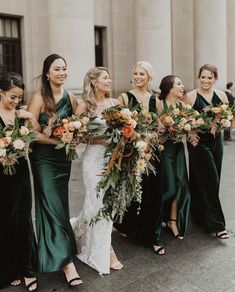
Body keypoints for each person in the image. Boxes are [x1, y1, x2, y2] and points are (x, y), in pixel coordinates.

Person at [27, 54, 82, 287]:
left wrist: (76, 134)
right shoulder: (39, 97)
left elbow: (81, 123)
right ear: (47, 73)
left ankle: (59, 251)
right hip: (43, 160)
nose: (61, 72)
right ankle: (67, 263)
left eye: (64, 68)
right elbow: (32, 133)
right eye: (56, 69)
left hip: (63, 160)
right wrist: (57, 141)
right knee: (52, 204)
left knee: (58, 204)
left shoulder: (71, 97)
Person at [70, 67, 123, 274]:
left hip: (113, 158)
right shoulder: (84, 106)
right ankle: (106, 250)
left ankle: (79, 229)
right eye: (105, 78)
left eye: (110, 77)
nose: (109, 81)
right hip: (93, 159)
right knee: (98, 201)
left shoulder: (115, 104)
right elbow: (78, 136)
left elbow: (126, 132)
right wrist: (102, 138)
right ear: (94, 82)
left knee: (104, 202)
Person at [113, 61, 165, 255]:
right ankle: (128, 225)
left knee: (153, 191)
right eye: (135, 73)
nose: (137, 77)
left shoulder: (155, 100)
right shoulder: (125, 98)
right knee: (133, 189)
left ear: (149, 76)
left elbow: (159, 125)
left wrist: (156, 136)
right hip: (132, 151)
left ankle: (153, 235)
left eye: (142, 74)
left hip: (153, 151)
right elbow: (117, 126)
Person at [0, 72, 38, 291]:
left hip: (21, 173)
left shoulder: (21, 116)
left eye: (19, 97)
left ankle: (27, 268)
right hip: (1, 177)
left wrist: (30, 119)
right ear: (1, 92)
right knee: (4, 221)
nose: (15, 101)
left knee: (22, 220)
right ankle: (8, 269)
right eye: (12, 97)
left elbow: (32, 139)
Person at [183, 64, 229, 239]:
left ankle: (200, 215)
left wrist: (223, 122)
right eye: (203, 77)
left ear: (215, 79)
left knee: (212, 179)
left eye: (210, 77)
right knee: (210, 178)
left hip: (216, 141)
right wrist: (192, 133)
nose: (206, 80)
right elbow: (184, 120)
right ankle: (218, 225)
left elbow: (227, 118)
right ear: (198, 77)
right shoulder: (191, 97)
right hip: (198, 143)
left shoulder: (222, 96)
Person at [156, 75, 190, 240]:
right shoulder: (159, 104)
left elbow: (191, 127)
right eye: (179, 83)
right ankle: (150, 216)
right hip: (164, 150)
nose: (182, 86)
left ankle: (172, 221)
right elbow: (149, 126)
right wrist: (160, 129)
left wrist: (189, 128)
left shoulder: (183, 106)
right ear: (169, 87)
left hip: (178, 149)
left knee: (180, 184)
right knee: (170, 188)